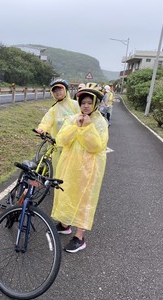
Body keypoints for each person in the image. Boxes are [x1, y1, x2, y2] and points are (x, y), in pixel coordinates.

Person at [51, 82, 109, 253]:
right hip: (69, 165)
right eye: (83, 102)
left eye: (89, 103)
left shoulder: (100, 123)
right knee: (66, 192)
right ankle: (64, 224)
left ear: (95, 104)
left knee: (84, 200)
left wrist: (87, 127)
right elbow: (61, 140)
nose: (85, 106)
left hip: (88, 169)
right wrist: (76, 126)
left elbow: (96, 146)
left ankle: (79, 236)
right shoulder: (72, 118)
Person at [35, 79, 80, 169]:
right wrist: (42, 129)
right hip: (58, 145)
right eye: (54, 91)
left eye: (60, 89)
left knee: (72, 169)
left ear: (66, 90)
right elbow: (46, 121)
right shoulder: (53, 109)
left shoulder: (75, 105)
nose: (57, 92)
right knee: (57, 168)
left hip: (74, 144)